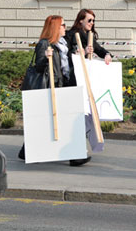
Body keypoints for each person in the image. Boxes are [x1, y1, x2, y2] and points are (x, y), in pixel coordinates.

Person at [18, 15, 90, 167]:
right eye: (62, 25)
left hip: (64, 86)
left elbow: (67, 66)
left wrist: (79, 55)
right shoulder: (44, 44)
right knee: (58, 121)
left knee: (65, 122)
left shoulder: (63, 44)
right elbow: (39, 66)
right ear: (55, 28)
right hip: (52, 87)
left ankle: (27, 151)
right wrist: (45, 58)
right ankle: (75, 156)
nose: (65, 27)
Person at [65, 9, 112, 87]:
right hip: (73, 75)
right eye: (89, 20)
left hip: (85, 73)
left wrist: (107, 54)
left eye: (93, 21)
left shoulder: (89, 36)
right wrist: (83, 53)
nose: (92, 23)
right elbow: (66, 55)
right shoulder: (70, 35)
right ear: (81, 20)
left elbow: (99, 49)